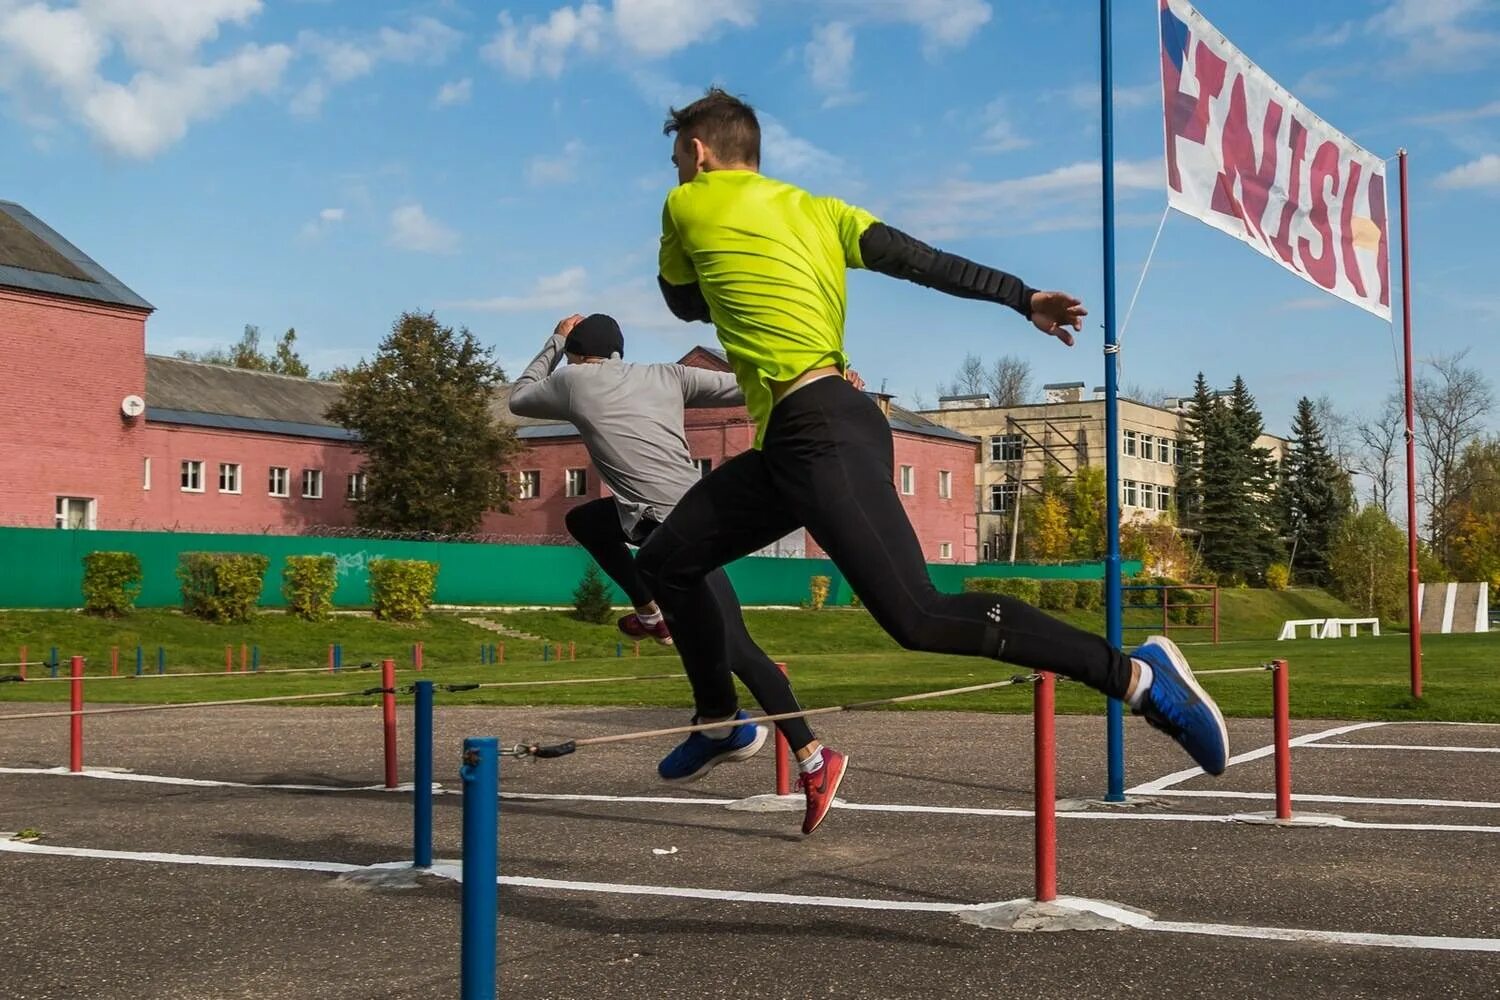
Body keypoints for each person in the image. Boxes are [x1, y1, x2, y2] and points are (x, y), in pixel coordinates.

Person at [636, 87, 1230, 836]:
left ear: (696, 152)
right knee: (667, 559)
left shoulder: (686, 203)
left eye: (676, 161)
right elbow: (920, 260)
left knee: (917, 615)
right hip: (800, 437)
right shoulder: (822, 211)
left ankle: (1141, 678)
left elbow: (683, 304)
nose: (677, 174)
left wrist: (697, 249)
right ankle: (719, 721)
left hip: (821, 431)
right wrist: (1021, 296)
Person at [506, 312, 831, 792]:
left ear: (578, 355)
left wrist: (554, 339)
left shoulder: (574, 379)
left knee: (736, 647)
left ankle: (812, 757)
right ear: (619, 353)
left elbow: (519, 396)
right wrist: (827, 378)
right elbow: (748, 383)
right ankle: (651, 612)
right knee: (586, 520)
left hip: (674, 532)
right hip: (685, 516)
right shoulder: (667, 374)